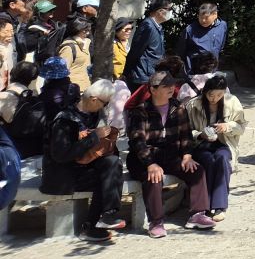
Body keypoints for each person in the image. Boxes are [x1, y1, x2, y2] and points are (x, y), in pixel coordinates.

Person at [127, 67, 215, 236]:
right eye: (165, 85)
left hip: (170, 155)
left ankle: (197, 214)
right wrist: (150, 164)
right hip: (143, 159)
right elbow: (137, 142)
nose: (171, 88)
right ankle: (156, 222)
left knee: (196, 170)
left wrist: (187, 155)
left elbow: (185, 135)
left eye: (172, 85)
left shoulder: (178, 107)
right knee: (154, 177)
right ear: (153, 90)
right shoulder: (140, 111)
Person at [42, 77, 125, 241]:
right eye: (105, 103)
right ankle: (90, 227)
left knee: (113, 164)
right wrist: (94, 137)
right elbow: (61, 155)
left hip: (84, 168)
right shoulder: (64, 119)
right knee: (105, 176)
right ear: (94, 100)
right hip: (64, 175)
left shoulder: (94, 115)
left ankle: (108, 215)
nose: (105, 107)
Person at [187, 72, 246, 220]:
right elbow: (186, 131)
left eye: (219, 95)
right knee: (207, 160)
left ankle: (220, 207)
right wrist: (200, 134)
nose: (214, 99)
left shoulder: (232, 102)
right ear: (205, 91)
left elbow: (241, 127)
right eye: (211, 95)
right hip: (201, 144)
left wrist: (228, 126)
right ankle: (206, 205)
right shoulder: (193, 105)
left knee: (222, 159)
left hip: (224, 143)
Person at [123, 0, 175, 87]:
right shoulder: (148, 26)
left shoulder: (158, 26)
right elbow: (136, 52)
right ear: (160, 11)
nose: (171, 12)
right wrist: (126, 73)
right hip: (142, 77)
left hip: (152, 75)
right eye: (169, 9)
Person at [180, 3, 228, 74]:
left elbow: (221, 45)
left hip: (212, 68)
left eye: (206, 18)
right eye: (201, 17)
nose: (203, 20)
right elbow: (181, 51)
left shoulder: (222, 25)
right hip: (194, 71)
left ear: (215, 15)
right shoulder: (189, 30)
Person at [58, 16, 93, 89]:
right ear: (76, 30)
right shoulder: (68, 48)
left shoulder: (86, 44)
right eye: (85, 30)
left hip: (86, 87)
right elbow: (62, 72)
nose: (88, 33)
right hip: (73, 89)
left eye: (88, 30)